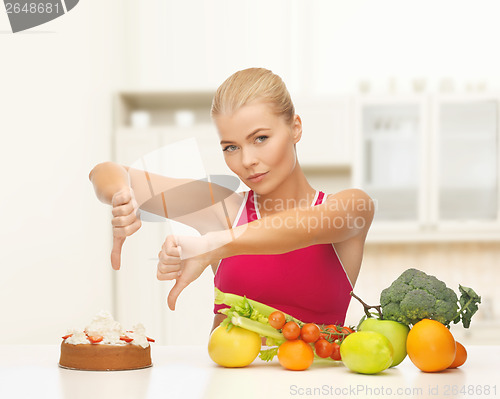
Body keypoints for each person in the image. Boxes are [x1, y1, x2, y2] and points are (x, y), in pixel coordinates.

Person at [89, 67, 374, 332]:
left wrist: (212, 244)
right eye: (231, 147)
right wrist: (122, 195)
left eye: (260, 138)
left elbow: (306, 226)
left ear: (295, 128)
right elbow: (105, 171)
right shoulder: (222, 209)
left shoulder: (351, 207)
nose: (247, 161)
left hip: (314, 385)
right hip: (227, 385)